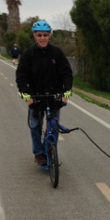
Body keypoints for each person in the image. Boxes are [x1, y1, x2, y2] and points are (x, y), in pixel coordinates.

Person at [16, 20, 73, 165]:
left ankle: (50, 150)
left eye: (45, 35)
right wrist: (25, 93)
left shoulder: (57, 52)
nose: (42, 38)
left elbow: (66, 73)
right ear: (35, 36)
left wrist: (66, 90)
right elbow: (21, 75)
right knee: (35, 125)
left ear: (49, 36)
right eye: (39, 35)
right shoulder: (29, 54)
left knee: (53, 126)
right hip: (35, 96)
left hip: (54, 95)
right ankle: (39, 153)